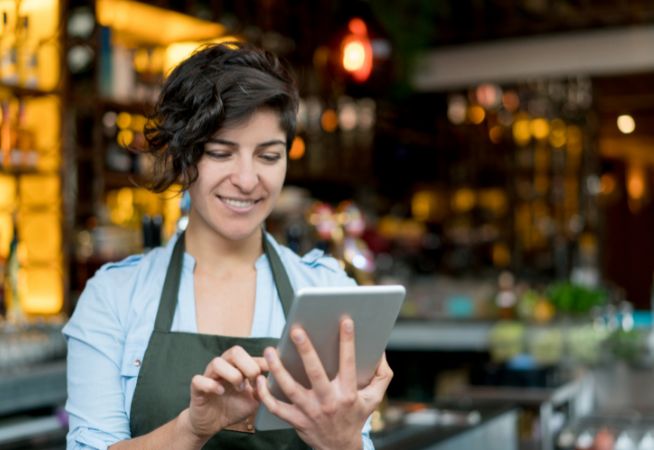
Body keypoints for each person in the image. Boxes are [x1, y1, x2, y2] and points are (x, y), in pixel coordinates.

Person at [63, 42, 393, 450]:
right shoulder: (113, 298)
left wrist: (341, 442)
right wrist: (192, 428)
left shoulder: (330, 293)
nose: (248, 179)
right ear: (183, 159)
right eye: (221, 152)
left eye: (268, 156)